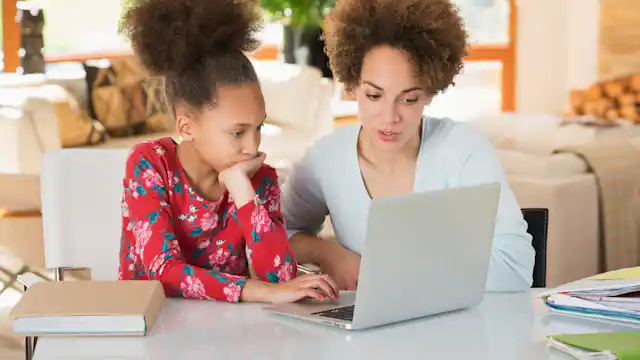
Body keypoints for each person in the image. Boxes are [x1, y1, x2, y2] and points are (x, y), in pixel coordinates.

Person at [282, 0, 536, 292]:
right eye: (374, 96)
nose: (390, 118)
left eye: (409, 99)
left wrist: (406, 280)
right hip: (365, 332)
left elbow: (515, 268)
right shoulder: (325, 160)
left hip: (454, 330)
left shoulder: (464, 150)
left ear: (430, 92)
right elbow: (274, 236)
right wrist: (328, 254)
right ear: (352, 85)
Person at [117, 0, 339, 303]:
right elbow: (163, 271)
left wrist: (244, 195)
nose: (253, 146)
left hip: (228, 335)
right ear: (186, 128)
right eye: (237, 132)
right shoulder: (149, 165)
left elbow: (280, 279)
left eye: (258, 127)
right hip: (152, 332)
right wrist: (260, 291)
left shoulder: (257, 179)